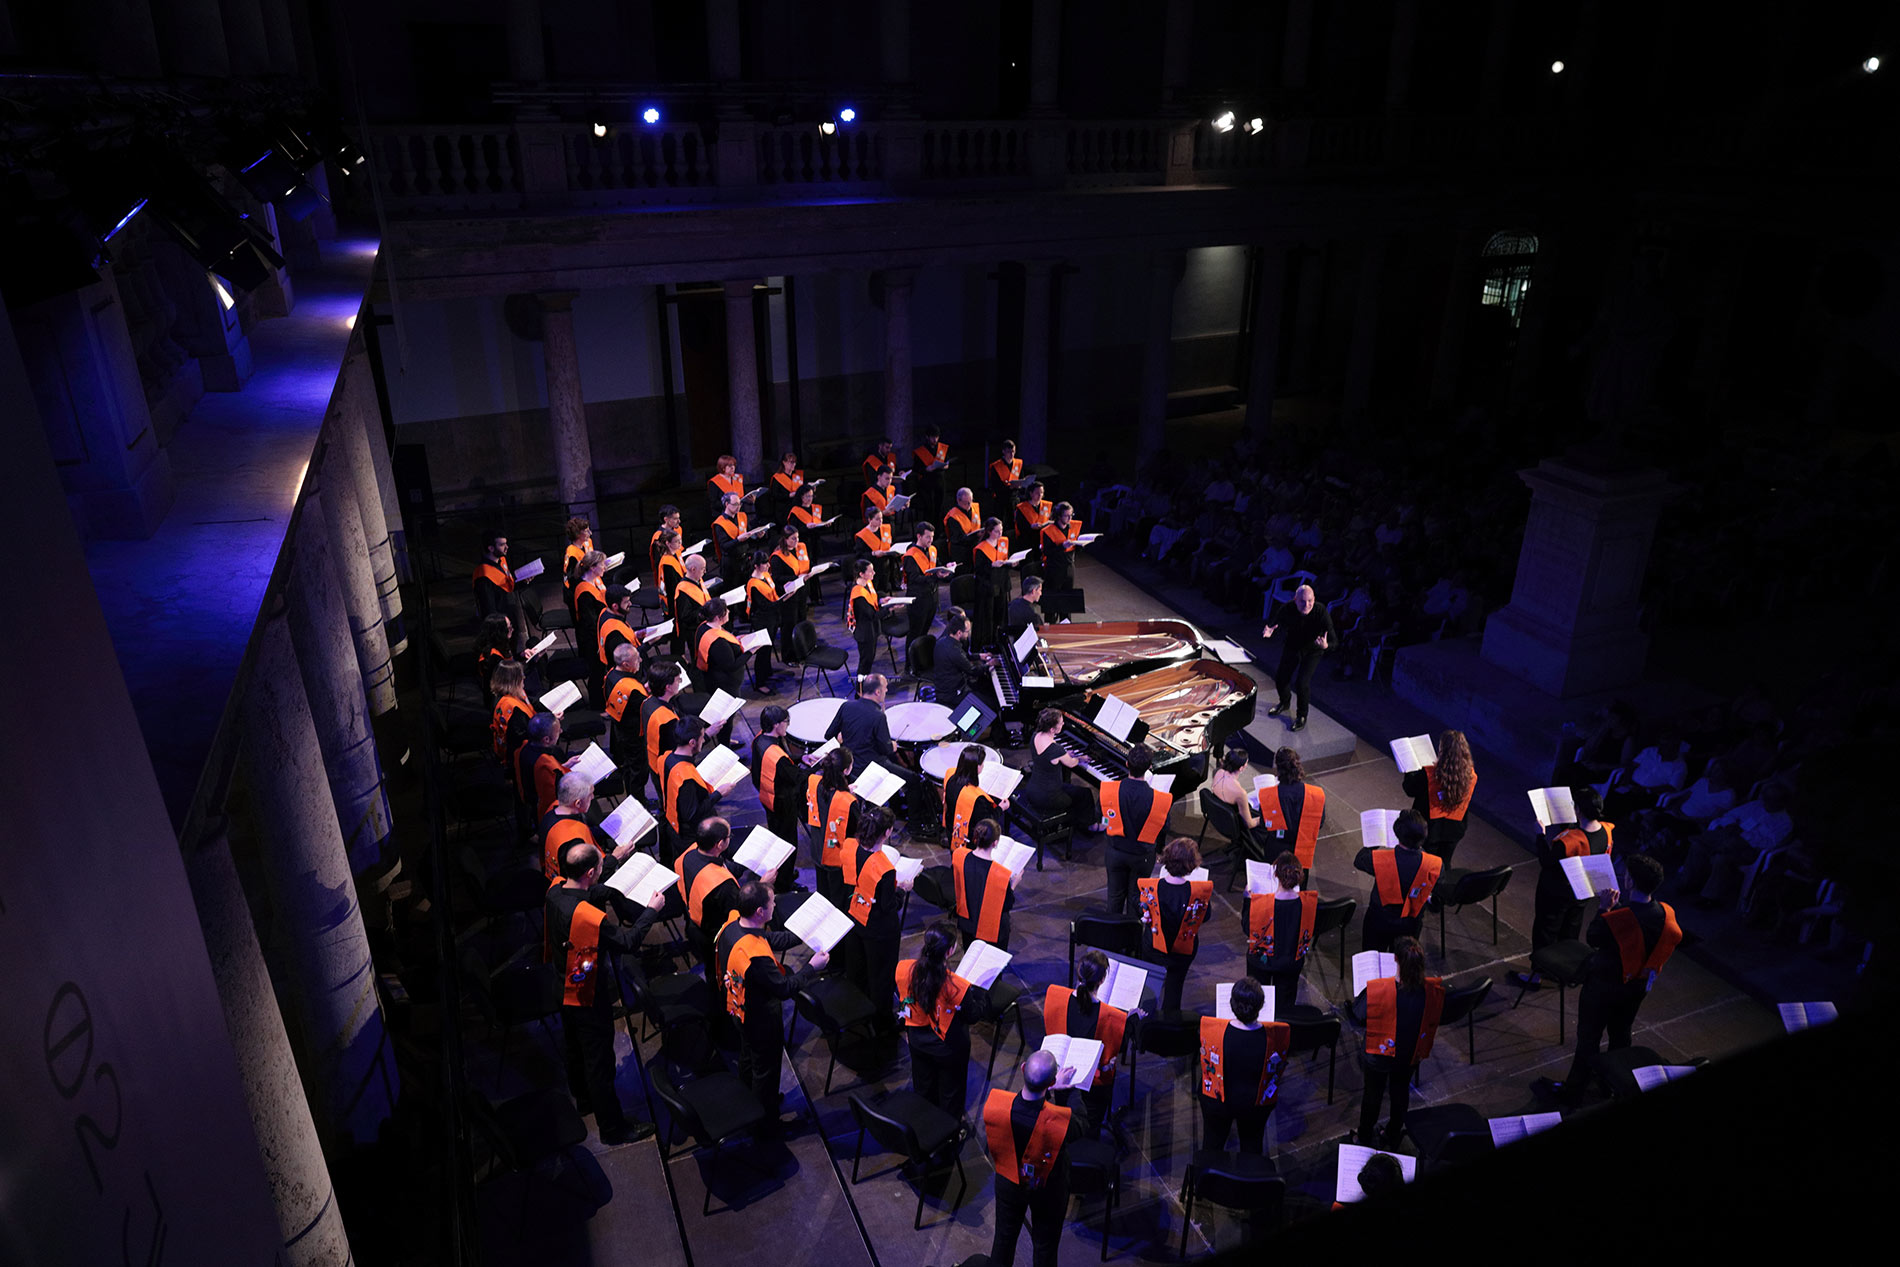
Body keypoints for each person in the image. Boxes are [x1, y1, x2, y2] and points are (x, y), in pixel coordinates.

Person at [1533, 854, 1680, 1108]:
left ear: (1630, 882)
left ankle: (1573, 1092)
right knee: (1621, 1035)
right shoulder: (1666, 913)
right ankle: (1610, 1083)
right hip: (1635, 987)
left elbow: (1593, 938)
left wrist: (1604, 909)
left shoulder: (1618, 917)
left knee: (1589, 1038)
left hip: (1603, 987)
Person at [545, 839, 666, 1146]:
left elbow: (590, 890)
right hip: (585, 993)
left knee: (574, 1047)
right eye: (598, 866)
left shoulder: (556, 889)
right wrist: (650, 912)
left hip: (560, 982)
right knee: (600, 1063)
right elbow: (626, 942)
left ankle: (583, 1099)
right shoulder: (587, 916)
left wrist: (612, 865)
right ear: (590, 871)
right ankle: (613, 1129)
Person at [717, 881, 829, 1131]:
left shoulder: (733, 924)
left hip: (737, 1007)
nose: (775, 904)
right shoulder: (755, 957)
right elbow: (784, 989)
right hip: (760, 1019)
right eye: (772, 903)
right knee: (765, 1070)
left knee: (748, 1058)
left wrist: (804, 933)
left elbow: (768, 938)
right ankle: (765, 1124)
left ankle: (750, 1101)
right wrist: (812, 967)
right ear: (760, 912)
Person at [1511, 786, 1614, 991]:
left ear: (1579, 811)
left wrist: (1540, 835)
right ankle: (1563, 970)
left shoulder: (1569, 841)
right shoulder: (1606, 831)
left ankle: (1537, 975)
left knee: (1545, 931)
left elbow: (1547, 861)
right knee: (1570, 930)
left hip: (1556, 893)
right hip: (1583, 891)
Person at [982, 1048, 1077, 1267]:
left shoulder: (996, 1106)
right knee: (1045, 1247)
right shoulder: (1059, 1123)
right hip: (1047, 1191)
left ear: (1023, 1068)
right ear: (1052, 1081)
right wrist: (1064, 1092)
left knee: (1004, 1239)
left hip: (1008, 1183)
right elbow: (1082, 1123)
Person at [1355, 936, 1442, 1148]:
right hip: (1410, 1054)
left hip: (1380, 1056)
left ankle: (1364, 1136)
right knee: (1400, 1091)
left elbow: (1358, 1014)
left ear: (1396, 961)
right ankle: (1393, 1133)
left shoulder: (1379, 989)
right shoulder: (1433, 990)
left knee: (1372, 1095)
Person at [897, 921, 989, 1117]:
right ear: (949, 951)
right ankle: (949, 1135)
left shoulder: (903, 968)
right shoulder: (956, 986)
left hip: (917, 1039)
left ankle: (926, 1124)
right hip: (947, 1047)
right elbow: (972, 1016)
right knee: (951, 1094)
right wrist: (979, 992)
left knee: (923, 1085)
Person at [1198, 976, 1292, 1155]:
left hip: (1219, 1102)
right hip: (1254, 1106)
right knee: (1252, 1146)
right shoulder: (1275, 1038)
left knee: (1212, 1144)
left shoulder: (1213, 1031)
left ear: (1232, 1005)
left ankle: (1207, 1174)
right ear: (1261, 1006)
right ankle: (1249, 1174)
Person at [1043, 950, 1131, 1138]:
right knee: (1090, 1130)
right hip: (1093, 1086)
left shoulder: (1054, 997)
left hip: (1060, 1078)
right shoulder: (1111, 1016)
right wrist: (1128, 1021)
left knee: (1063, 1122)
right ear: (1101, 981)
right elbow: (1115, 1054)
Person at [677, 816, 779, 979]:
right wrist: (763, 884)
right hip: (715, 935)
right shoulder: (723, 886)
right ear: (720, 844)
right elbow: (742, 913)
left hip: (693, 922)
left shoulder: (690, 853)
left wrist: (746, 862)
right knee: (717, 976)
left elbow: (722, 867)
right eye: (728, 837)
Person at [825, 673, 926, 825]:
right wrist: (892, 745)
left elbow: (829, 735)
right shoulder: (878, 716)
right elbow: (885, 749)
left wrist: (843, 738)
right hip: (872, 767)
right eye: (885, 688)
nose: (886, 691)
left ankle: (896, 806)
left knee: (894, 762)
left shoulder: (846, 706)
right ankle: (916, 824)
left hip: (851, 764)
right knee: (914, 780)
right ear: (877, 692)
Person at [843, 804, 912, 1023]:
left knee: (860, 968)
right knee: (881, 975)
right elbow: (888, 906)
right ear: (887, 832)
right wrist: (901, 889)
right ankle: (882, 1021)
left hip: (855, 917)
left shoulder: (850, 846)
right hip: (879, 930)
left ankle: (859, 1009)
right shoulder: (885, 869)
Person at [1137, 838, 1214, 1012]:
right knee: (1174, 989)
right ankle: (1169, 1025)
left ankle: (1145, 1022)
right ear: (1191, 865)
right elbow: (1205, 916)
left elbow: (1141, 909)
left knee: (1149, 987)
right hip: (1182, 951)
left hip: (1154, 947)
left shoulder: (1152, 887)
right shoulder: (1197, 893)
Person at [1353, 809, 1441, 952]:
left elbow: (1359, 860)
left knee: (1374, 957)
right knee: (1400, 961)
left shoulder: (1380, 859)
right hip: (1411, 924)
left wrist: (1375, 840)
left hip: (1378, 920)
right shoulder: (1435, 864)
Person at [1102, 744, 1173, 916]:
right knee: (1137, 897)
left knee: (1114, 896)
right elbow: (1164, 827)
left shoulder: (1108, 790)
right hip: (1142, 855)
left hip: (1115, 851)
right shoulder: (1161, 799)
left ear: (1127, 764)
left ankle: (1112, 935)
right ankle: (1131, 936)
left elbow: (1104, 819)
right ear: (1149, 767)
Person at [1245, 851, 1319, 1015]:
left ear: (1276, 875)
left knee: (1257, 1001)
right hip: (1290, 962)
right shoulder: (1308, 903)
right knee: (1284, 1007)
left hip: (1262, 963)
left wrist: (1247, 899)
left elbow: (1247, 929)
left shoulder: (1261, 903)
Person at [1263, 584, 1334, 732]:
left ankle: (1302, 715)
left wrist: (1326, 646)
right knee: (1281, 678)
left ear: (1314, 600)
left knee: (1302, 683)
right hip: (1293, 646)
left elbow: (1334, 641)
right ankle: (1284, 702)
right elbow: (1274, 622)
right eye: (1302, 601)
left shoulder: (1321, 612)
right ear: (1295, 599)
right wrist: (1269, 630)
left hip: (1313, 650)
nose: (1306, 605)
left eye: (1310, 601)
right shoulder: (1287, 608)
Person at [1400, 729, 1477, 864]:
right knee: (1444, 863)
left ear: (1442, 751)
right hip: (1454, 829)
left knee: (1426, 864)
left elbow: (1410, 789)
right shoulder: (1470, 776)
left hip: (1430, 829)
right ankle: (1442, 883)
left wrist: (1410, 769)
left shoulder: (1430, 774)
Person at [1019, 707, 1098, 835]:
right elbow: (1072, 764)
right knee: (1085, 794)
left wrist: (1065, 754)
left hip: (1033, 788)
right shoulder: (1056, 750)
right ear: (1052, 729)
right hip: (1049, 797)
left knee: (1072, 790)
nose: (1063, 724)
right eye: (1061, 723)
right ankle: (1089, 826)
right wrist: (1080, 758)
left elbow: (1051, 756)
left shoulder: (1036, 735)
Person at [751, 705, 802, 890]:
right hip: (782, 802)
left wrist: (802, 758)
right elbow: (795, 777)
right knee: (788, 842)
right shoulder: (776, 755)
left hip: (767, 797)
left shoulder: (760, 739)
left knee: (777, 837)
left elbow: (782, 764)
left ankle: (783, 874)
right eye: (786, 722)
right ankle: (785, 881)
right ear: (776, 725)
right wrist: (817, 766)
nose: (787, 726)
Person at [1257, 747, 1328, 876]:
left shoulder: (1268, 795)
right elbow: (1319, 823)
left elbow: (1264, 824)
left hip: (1276, 850)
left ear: (1278, 768)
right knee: (1298, 884)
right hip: (1302, 849)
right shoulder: (1316, 794)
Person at [661, 717, 722, 865]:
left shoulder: (667, 757)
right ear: (692, 742)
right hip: (689, 836)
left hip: (672, 823)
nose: (703, 741)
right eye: (702, 738)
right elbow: (693, 814)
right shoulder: (686, 778)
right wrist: (718, 794)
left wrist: (708, 734)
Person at [954, 818, 1022, 949]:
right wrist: (1013, 884)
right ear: (995, 843)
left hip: (967, 922)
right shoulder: (1000, 874)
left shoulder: (959, 855)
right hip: (992, 930)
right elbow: (1007, 904)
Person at [811, 746, 860, 904]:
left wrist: (845, 791)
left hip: (818, 848)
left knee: (823, 895)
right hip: (836, 856)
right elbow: (857, 829)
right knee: (838, 901)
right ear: (846, 770)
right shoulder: (847, 801)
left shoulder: (814, 782)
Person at [639, 661, 688, 803]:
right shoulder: (667, 720)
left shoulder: (648, 702)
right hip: (667, 769)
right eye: (678, 680)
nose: (679, 683)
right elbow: (680, 748)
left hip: (653, 761)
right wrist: (708, 733)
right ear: (668, 687)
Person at [693, 597, 755, 707]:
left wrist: (735, 638)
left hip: (711, 677)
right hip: (725, 685)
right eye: (726, 611)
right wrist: (751, 651)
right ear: (717, 617)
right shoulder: (718, 642)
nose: (729, 612)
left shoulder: (704, 626)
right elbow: (732, 665)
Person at [943, 744, 1006, 848]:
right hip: (968, 838)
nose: (983, 766)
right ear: (977, 767)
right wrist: (1001, 808)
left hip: (952, 828)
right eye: (982, 764)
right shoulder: (975, 798)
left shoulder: (950, 776)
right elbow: (986, 821)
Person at [514, 712, 572, 820]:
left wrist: (564, 766)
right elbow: (552, 802)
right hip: (545, 816)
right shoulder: (547, 767)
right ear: (546, 740)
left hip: (525, 802)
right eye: (558, 731)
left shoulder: (523, 747)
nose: (561, 731)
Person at [602, 642, 648, 772]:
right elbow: (645, 707)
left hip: (619, 727)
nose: (641, 660)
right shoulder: (632, 689)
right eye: (637, 659)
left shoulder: (611, 674)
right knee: (638, 770)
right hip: (633, 734)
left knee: (628, 765)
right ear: (626, 665)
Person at [930, 607, 990, 706]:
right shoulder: (954, 651)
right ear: (959, 633)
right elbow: (973, 671)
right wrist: (989, 666)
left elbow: (964, 657)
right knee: (988, 704)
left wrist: (980, 656)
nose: (968, 634)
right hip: (953, 694)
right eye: (967, 632)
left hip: (947, 687)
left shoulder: (943, 641)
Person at [973, 517, 1016, 650]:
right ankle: (987, 643)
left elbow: (1004, 561)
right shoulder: (981, 549)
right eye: (997, 531)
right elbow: (978, 571)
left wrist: (1011, 563)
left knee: (1001, 614)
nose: (1000, 534)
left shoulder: (1003, 543)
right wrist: (991, 565)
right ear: (989, 531)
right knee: (988, 616)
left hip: (1001, 584)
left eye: (1001, 530)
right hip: (988, 587)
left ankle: (1000, 642)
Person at [901, 521, 948, 637]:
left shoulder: (932, 550)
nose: (930, 540)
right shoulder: (910, 556)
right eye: (927, 537)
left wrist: (945, 569)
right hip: (918, 599)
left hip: (932, 597)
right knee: (915, 633)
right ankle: (911, 655)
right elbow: (914, 578)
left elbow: (937, 565)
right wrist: (935, 577)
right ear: (919, 536)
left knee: (925, 631)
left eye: (932, 537)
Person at [595, 584, 640, 703]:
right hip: (624, 678)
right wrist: (649, 644)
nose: (630, 604)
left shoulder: (605, 613)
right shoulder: (614, 632)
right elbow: (625, 659)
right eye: (626, 602)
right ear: (615, 606)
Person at [1037, 501, 1082, 619]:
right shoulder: (1048, 531)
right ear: (1058, 516)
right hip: (1054, 570)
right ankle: (1050, 629)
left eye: (1071, 515)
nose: (1069, 518)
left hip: (1069, 569)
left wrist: (1081, 545)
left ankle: (1065, 628)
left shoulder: (1073, 527)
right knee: (1052, 604)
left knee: (1067, 603)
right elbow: (1047, 552)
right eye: (1066, 515)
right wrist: (1062, 547)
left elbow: (1075, 549)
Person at [769, 525, 817, 628]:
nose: (797, 540)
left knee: (802, 618)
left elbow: (807, 563)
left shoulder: (801, 548)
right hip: (790, 594)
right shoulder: (778, 557)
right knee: (791, 622)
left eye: (798, 537)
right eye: (793, 538)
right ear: (785, 539)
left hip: (803, 590)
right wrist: (796, 578)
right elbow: (777, 578)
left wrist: (813, 569)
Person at [490, 660, 535, 763]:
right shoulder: (512, 708)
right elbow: (522, 738)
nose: (524, 678)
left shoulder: (502, 694)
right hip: (519, 757)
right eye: (521, 676)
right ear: (513, 681)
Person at [746, 555, 789, 662]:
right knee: (763, 650)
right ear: (756, 566)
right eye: (765, 563)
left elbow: (773, 589)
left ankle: (767, 672)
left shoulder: (765, 575)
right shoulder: (754, 584)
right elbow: (764, 606)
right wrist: (782, 601)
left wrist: (786, 588)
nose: (768, 565)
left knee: (769, 646)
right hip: (762, 619)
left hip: (772, 616)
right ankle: (762, 676)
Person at [845, 557, 882, 678]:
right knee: (865, 663)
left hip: (872, 629)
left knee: (869, 660)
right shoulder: (858, 594)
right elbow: (871, 615)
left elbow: (873, 601)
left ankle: (865, 686)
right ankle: (860, 691)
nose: (874, 573)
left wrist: (882, 601)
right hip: (865, 633)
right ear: (861, 574)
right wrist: (889, 609)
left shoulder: (868, 583)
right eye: (870, 571)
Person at [672, 554, 712, 658]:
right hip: (695, 632)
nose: (705, 571)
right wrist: (703, 613)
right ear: (693, 569)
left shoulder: (698, 581)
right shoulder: (683, 590)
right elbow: (685, 616)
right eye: (703, 569)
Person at [909, 423, 949, 525]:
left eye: (936, 437)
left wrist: (945, 466)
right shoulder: (921, 451)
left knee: (940, 507)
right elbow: (916, 468)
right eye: (932, 437)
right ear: (927, 437)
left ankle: (939, 531)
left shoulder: (941, 448)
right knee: (929, 509)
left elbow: (947, 461)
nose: (935, 440)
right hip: (927, 484)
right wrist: (927, 469)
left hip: (940, 482)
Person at [711, 491, 756, 582]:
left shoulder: (742, 516)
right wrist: (738, 540)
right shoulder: (720, 523)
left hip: (745, 559)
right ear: (727, 504)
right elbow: (724, 546)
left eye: (740, 504)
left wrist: (757, 535)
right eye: (735, 504)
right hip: (731, 563)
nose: (738, 507)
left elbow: (749, 534)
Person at [854, 506, 899, 592]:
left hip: (886, 567)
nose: (881, 521)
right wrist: (873, 553)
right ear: (870, 520)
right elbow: (859, 556)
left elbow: (889, 544)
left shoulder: (885, 529)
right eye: (877, 519)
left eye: (881, 518)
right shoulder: (862, 536)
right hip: (872, 569)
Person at [943, 486, 984, 566]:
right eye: (966, 503)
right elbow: (957, 539)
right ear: (958, 500)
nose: (969, 505)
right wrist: (975, 536)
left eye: (971, 501)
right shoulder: (953, 517)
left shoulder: (975, 507)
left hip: (975, 542)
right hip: (961, 547)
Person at [561, 515, 594, 603]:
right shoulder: (572, 553)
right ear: (578, 534)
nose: (590, 533)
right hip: (574, 593)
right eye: (586, 531)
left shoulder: (587, 543)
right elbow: (572, 578)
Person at [1006, 575, 1046, 641]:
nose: (1041, 594)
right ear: (1033, 591)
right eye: (1040, 590)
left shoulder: (1012, 605)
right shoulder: (1032, 614)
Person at [649, 504, 682, 578]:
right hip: (669, 573)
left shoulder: (678, 529)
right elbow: (659, 561)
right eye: (675, 519)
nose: (679, 521)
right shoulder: (658, 537)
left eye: (678, 518)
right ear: (666, 519)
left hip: (680, 567)